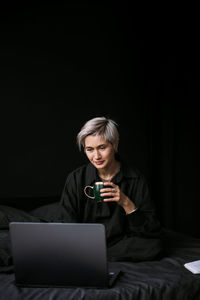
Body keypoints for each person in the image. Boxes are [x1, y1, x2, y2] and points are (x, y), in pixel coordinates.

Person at [60, 116, 163, 262]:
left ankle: (97, 256)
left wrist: (125, 202)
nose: (96, 156)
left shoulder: (135, 178)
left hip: (120, 243)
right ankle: (93, 254)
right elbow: (67, 224)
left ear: (115, 145)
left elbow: (151, 229)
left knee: (154, 246)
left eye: (102, 148)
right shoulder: (76, 178)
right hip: (86, 244)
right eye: (90, 149)